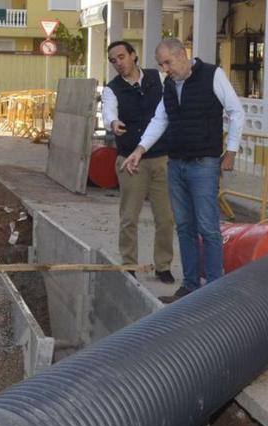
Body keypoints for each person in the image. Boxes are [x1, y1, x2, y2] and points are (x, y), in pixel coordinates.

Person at [123, 37, 245, 303]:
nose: (165, 68)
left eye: (168, 62)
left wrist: (231, 151)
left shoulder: (213, 75)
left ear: (182, 54)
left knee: (208, 228)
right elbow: (161, 119)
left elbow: (236, 111)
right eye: (161, 64)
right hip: (176, 163)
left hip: (204, 163)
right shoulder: (169, 84)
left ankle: (214, 289)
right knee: (184, 227)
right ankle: (190, 285)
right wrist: (139, 150)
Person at [101, 41, 176, 284]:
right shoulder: (112, 89)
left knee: (165, 218)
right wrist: (113, 123)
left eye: (121, 57)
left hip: (161, 158)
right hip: (130, 162)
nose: (118, 63)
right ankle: (129, 265)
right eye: (113, 60)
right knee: (129, 218)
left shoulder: (158, 78)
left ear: (134, 56)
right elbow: (108, 112)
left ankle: (163, 265)